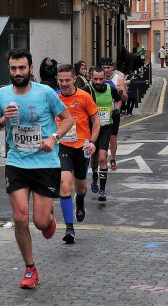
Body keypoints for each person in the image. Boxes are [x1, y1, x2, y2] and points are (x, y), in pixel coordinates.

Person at [0, 49, 73, 289]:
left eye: (22, 68)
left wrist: (54, 137)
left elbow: (68, 119)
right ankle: (30, 269)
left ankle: (49, 219)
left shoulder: (45, 93)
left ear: (30, 69)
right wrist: (2, 120)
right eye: (13, 68)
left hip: (45, 163)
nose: (17, 72)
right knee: (20, 216)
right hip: (16, 162)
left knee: (40, 223)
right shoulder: (2, 95)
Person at [56, 64, 100, 244]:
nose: (64, 84)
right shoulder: (54, 97)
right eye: (61, 80)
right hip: (63, 146)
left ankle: (80, 201)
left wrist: (93, 142)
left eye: (68, 80)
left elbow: (96, 119)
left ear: (74, 79)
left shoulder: (84, 97)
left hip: (82, 147)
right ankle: (69, 228)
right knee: (64, 185)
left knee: (81, 188)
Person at [84, 66, 122, 201]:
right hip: (91, 129)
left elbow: (119, 99)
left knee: (102, 157)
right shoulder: (87, 90)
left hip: (106, 127)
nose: (98, 82)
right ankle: (94, 173)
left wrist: (117, 109)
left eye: (101, 79)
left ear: (105, 78)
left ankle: (102, 190)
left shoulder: (110, 89)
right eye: (95, 79)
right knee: (94, 159)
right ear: (91, 78)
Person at [99, 58, 127, 171]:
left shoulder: (118, 79)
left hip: (112, 111)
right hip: (98, 112)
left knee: (112, 137)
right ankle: (101, 157)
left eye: (108, 67)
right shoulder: (97, 79)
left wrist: (120, 92)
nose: (106, 70)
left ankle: (113, 158)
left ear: (112, 68)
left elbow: (125, 98)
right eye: (104, 68)